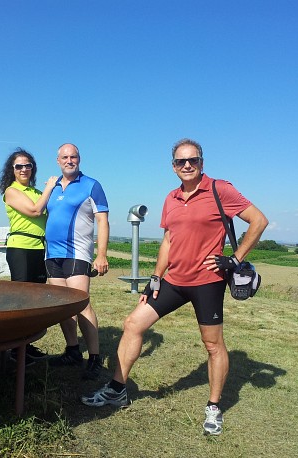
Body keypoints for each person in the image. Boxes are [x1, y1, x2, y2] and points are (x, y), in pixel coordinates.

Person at [81, 138, 268, 436]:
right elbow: (169, 240)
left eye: (193, 160)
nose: (187, 165)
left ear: (202, 163)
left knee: (212, 345)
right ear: (173, 167)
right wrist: (156, 276)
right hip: (174, 281)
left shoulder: (220, 189)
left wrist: (234, 259)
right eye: (181, 161)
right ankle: (117, 389)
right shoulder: (171, 198)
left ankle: (214, 406)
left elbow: (258, 220)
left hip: (207, 282)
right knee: (133, 324)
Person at [45, 143, 110, 380]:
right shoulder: (51, 187)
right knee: (63, 306)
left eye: (73, 156)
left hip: (77, 253)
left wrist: (101, 254)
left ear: (79, 159)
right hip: (51, 254)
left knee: (81, 304)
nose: (69, 160)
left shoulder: (91, 185)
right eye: (65, 157)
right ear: (58, 160)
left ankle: (94, 357)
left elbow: (102, 221)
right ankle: (72, 350)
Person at [0, 148, 58, 364]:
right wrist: (50, 188)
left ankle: (26, 345)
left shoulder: (35, 192)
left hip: (39, 248)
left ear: (33, 168)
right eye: (19, 166)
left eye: (28, 165)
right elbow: (35, 211)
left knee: (34, 300)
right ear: (12, 170)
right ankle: (15, 349)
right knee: (21, 299)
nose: (24, 169)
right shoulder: (11, 191)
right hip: (21, 249)